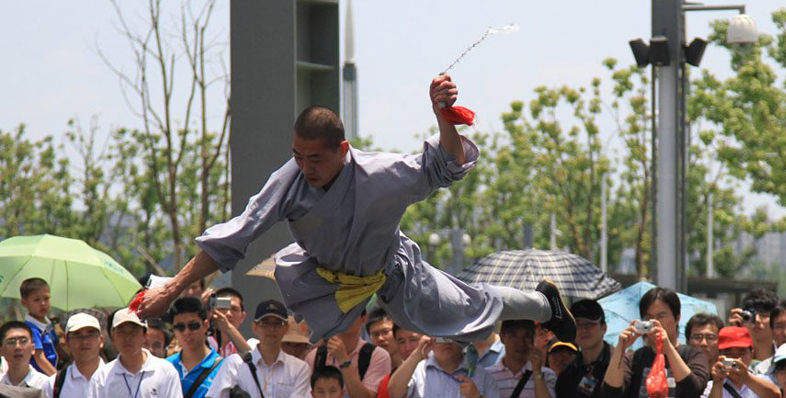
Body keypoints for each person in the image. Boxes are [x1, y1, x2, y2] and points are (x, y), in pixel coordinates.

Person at [135, 75, 576, 350]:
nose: (306, 168)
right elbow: (234, 236)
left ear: (342, 150)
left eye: (316, 159)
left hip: (393, 270)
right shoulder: (288, 180)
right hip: (323, 279)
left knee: (465, 313)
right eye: (298, 156)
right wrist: (171, 289)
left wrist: (443, 117)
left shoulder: (380, 174)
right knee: (301, 333)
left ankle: (544, 304)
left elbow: (446, 164)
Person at [729, 288, 779, 365]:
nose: (757, 320)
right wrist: (735, 334)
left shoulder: (785, 355)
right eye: (751, 316)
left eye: (764, 315)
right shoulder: (732, 354)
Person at [20, 277, 58, 375]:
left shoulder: (48, 325)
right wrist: (57, 378)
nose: (43, 303)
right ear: (24, 303)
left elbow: (57, 348)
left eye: (46, 298)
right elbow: (39, 358)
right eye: (36, 300)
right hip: (40, 378)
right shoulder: (30, 329)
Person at [0, 321, 52, 390]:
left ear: (33, 348)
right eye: (11, 342)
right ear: (1, 351)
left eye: (23, 341)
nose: (18, 347)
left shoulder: (45, 385)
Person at [208, 286, 250, 358]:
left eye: (234, 309)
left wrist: (228, 328)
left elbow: (252, 361)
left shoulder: (241, 346)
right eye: (223, 308)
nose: (228, 314)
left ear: (242, 317)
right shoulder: (203, 342)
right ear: (212, 311)